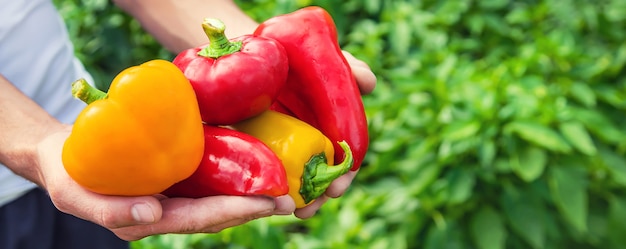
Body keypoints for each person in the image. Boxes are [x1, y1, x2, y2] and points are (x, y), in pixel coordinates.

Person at [0, 0, 376, 248]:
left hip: (96, 170)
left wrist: (261, 50)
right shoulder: (87, 155)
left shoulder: (94, 154)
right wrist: (33, 143)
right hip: (74, 168)